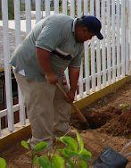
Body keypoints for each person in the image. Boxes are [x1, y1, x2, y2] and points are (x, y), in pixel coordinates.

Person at [10, 14, 103, 148]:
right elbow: (41, 48)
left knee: (63, 100)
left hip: (53, 72)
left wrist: (72, 90)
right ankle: (41, 144)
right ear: (83, 29)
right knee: (41, 107)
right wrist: (48, 73)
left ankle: (60, 132)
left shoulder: (79, 44)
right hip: (31, 67)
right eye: (91, 35)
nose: (90, 38)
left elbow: (74, 67)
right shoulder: (59, 25)